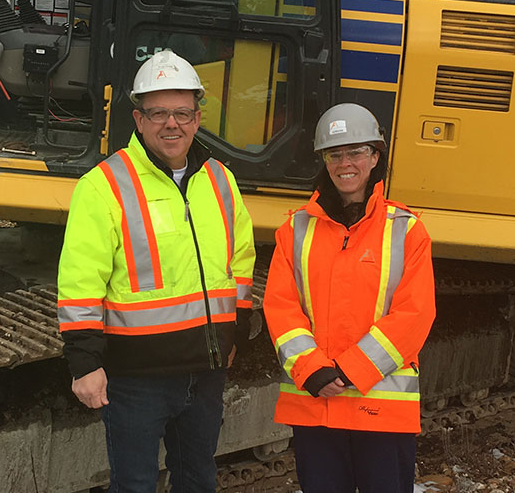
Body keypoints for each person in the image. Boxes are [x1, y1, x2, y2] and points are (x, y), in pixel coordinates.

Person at [57, 49, 256, 492]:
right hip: (137, 379)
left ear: (198, 117)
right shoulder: (104, 185)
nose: (173, 124)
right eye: (159, 112)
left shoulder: (220, 179)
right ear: (139, 118)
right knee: (134, 485)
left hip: (205, 371)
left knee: (198, 478)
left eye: (182, 113)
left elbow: (239, 262)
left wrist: (234, 332)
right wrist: (84, 362)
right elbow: (80, 281)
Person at [262, 103, 436, 492]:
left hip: (380, 409)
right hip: (316, 405)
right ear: (324, 161)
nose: (345, 163)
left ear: (375, 157)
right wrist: (312, 370)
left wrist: (350, 370)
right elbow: (281, 307)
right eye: (335, 154)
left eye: (356, 152)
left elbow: (415, 314)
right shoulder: (295, 230)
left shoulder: (407, 231)